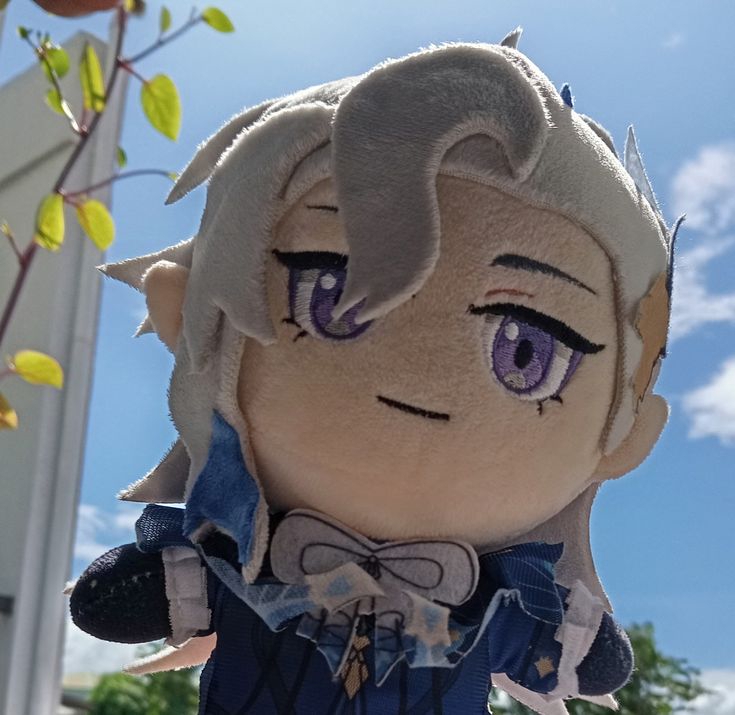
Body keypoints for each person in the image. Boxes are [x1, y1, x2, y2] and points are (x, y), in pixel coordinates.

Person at [70, 33, 676, 714]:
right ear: (192, 318)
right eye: (332, 297)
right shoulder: (243, 571)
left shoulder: (492, 607)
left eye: (527, 353)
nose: (426, 382)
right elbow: (120, 599)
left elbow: (586, 660)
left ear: (624, 436)